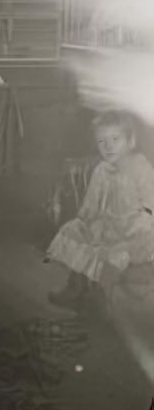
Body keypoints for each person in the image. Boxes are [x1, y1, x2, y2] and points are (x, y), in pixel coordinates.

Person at [46, 110, 154, 310]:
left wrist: (141, 222)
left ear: (130, 141)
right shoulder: (102, 169)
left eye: (115, 139)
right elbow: (92, 202)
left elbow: (150, 203)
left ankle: (101, 294)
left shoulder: (141, 168)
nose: (108, 146)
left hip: (137, 233)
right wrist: (85, 217)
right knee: (74, 231)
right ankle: (75, 286)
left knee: (116, 254)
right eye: (102, 141)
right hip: (109, 226)